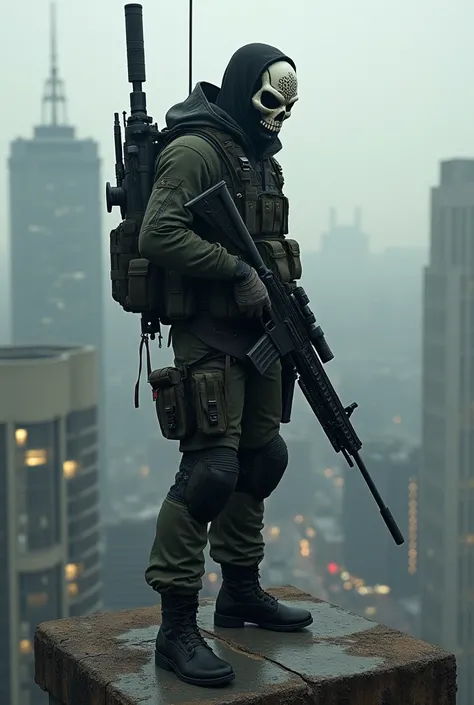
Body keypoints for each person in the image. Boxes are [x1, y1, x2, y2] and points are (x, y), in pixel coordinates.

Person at [139, 42, 312, 688]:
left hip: (259, 329)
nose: (276, 119)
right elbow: (160, 231)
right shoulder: (197, 149)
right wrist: (234, 269)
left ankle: (239, 589)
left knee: (261, 457)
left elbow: (268, 244)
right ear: (245, 91)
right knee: (210, 469)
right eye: (269, 102)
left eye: (286, 109)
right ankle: (175, 627)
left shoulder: (257, 157)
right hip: (209, 330)